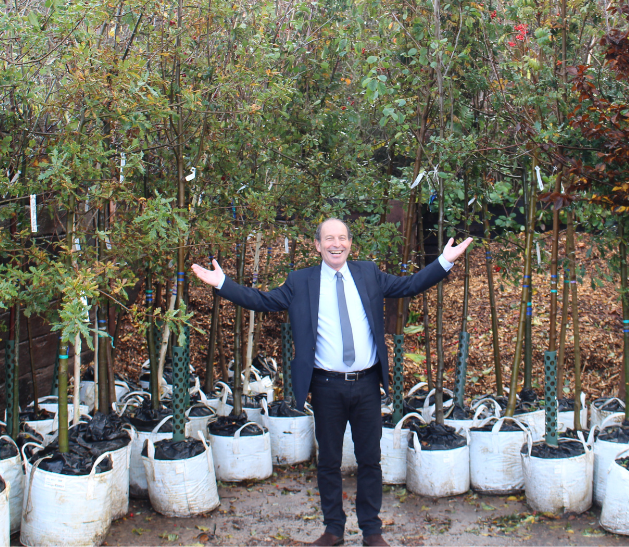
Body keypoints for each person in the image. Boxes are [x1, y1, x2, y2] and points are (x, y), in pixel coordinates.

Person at [191, 218, 472, 547]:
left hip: (367, 385)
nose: (335, 244)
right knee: (328, 461)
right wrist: (223, 282)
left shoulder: (368, 274)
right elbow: (263, 301)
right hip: (326, 387)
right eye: (328, 238)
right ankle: (333, 530)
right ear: (317, 245)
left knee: (370, 460)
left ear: (350, 243)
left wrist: (443, 262)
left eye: (341, 238)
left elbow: (408, 286)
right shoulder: (301, 281)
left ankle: (371, 531)